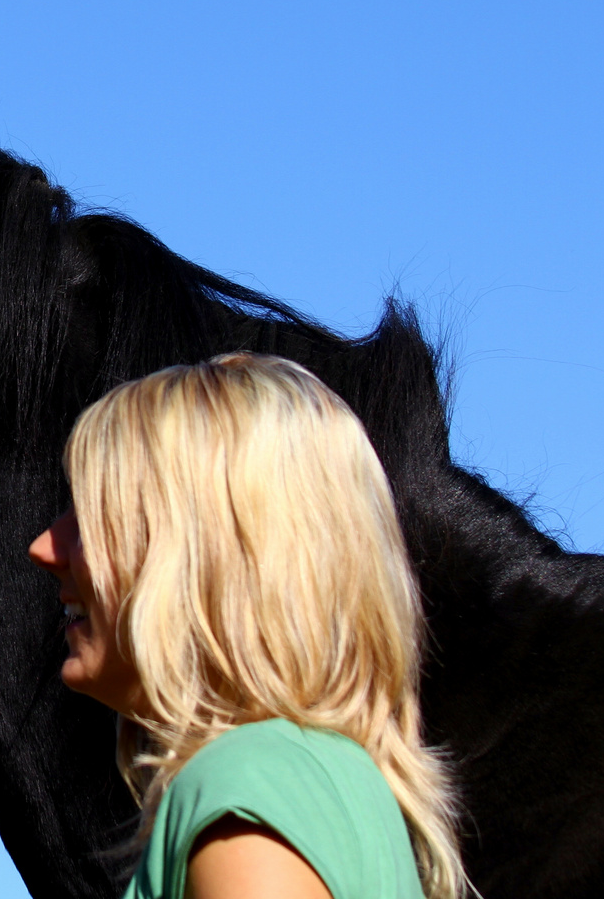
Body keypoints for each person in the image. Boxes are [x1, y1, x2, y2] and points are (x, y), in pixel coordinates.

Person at [28, 353, 467, 899]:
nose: (44, 547)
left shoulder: (246, 787)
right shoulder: (328, 783)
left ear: (207, 554)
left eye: (93, 516)